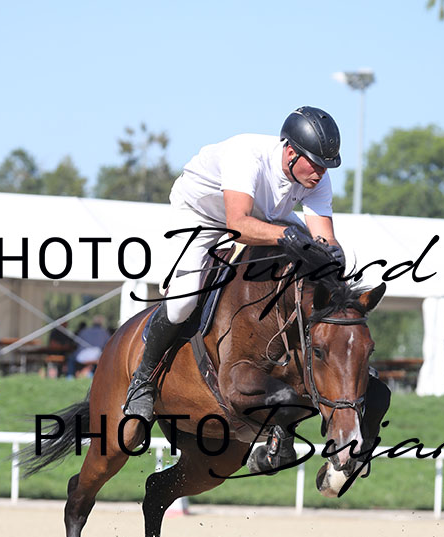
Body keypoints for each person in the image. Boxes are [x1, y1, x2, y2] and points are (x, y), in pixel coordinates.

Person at [124, 106, 346, 420]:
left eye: (326, 166)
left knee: (312, 260)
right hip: (200, 214)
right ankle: (142, 379)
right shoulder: (247, 156)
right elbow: (238, 226)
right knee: (182, 302)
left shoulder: (315, 177)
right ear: (291, 153)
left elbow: (325, 237)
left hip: (261, 215)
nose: (321, 172)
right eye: (316, 163)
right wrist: (288, 236)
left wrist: (333, 254)